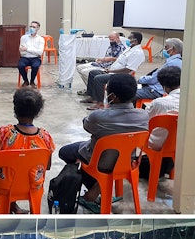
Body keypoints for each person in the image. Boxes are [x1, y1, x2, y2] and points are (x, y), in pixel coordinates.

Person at [58, 74, 148, 209]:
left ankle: (94, 191)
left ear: (112, 96)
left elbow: (87, 126)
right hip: (127, 162)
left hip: (100, 161)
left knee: (65, 152)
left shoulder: (99, 116)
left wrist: (103, 111)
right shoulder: (143, 115)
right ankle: (97, 189)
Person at [0, 87, 55, 214]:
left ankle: (8, 205)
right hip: (33, 186)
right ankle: (13, 207)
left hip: (3, 186)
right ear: (37, 112)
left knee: (7, 171)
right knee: (20, 170)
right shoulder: (45, 137)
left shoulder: (4, 133)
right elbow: (47, 166)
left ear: (15, 109)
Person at [80, 32, 145, 109]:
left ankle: (100, 104)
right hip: (112, 70)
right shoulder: (130, 48)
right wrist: (109, 68)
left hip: (121, 75)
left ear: (135, 40)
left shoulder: (137, 53)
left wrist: (112, 71)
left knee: (98, 78)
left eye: (130, 38)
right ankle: (93, 97)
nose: (128, 39)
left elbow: (128, 69)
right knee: (93, 73)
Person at [140, 65, 181, 179]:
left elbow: (146, 121)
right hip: (181, 143)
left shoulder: (159, 103)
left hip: (157, 144)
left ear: (163, 86)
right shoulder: (189, 99)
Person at [17, 21, 44, 87]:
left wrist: (27, 49)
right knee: (20, 65)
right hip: (25, 57)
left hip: (35, 58)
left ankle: (32, 81)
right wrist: (33, 50)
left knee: (35, 66)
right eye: (31, 26)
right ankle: (26, 81)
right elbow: (21, 50)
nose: (32, 28)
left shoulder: (41, 39)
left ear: (38, 28)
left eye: (34, 27)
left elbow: (40, 52)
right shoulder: (24, 37)